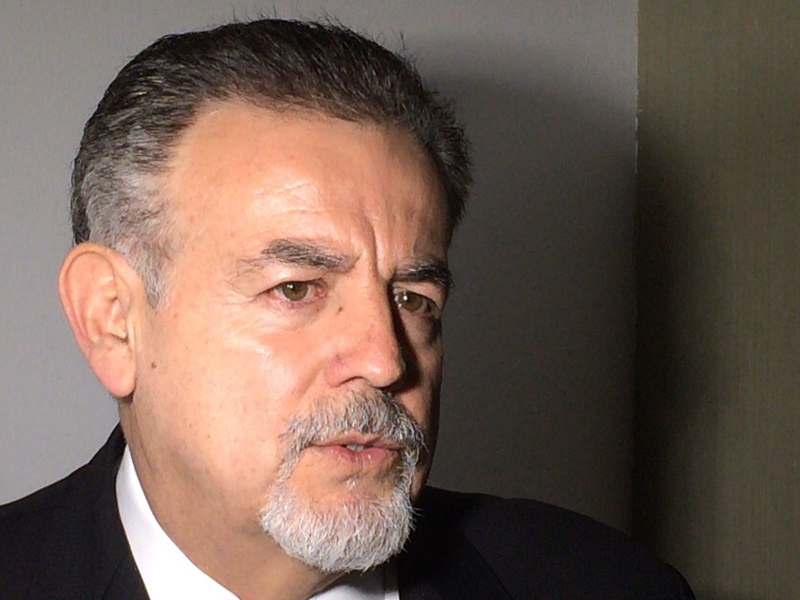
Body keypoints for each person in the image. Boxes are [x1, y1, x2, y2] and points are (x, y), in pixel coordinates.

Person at [0, 18, 695, 600]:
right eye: (296, 288)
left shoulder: (612, 583)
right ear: (112, 320)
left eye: (413, 298)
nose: (387, 361)